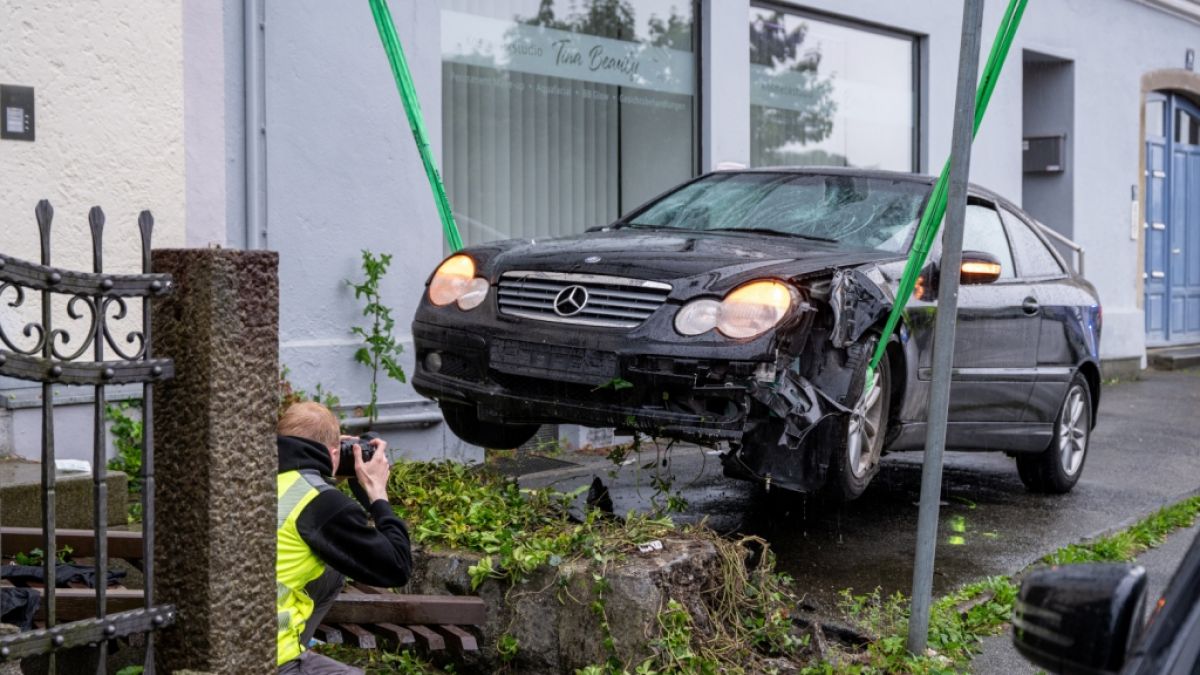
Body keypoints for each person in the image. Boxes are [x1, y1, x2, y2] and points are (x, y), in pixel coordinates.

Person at [276, 401, 413, 674]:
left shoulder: (253, 477)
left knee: (331, 569)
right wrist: (377, 494)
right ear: (335, 452)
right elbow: (397, 567)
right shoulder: (321, 502)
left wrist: (325, 470)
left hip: (226, 639)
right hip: (269, 655)